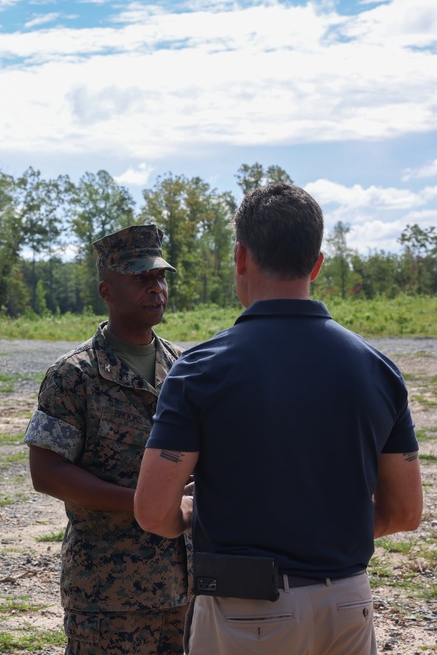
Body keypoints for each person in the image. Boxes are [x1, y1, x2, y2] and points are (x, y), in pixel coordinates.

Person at [135, 183, 423, 655]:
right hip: (349, 606)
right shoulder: (377, 369)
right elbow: (404, 513)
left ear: (241, 257)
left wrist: (190, 512)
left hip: (247, 613)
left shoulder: (201, 370)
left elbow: (152, 511)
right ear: (317, 263)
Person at [24, 224, 190, 654]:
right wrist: (142, 501)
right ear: (107, 290)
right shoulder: (73, 374)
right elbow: (48, 473)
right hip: (109, 595)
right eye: (141, 279)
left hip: (184, 585)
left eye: (160, 277)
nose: (156, 289)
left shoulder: (185, 367)